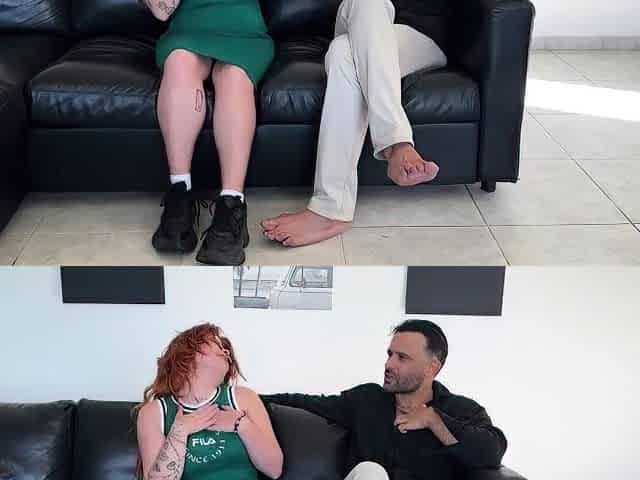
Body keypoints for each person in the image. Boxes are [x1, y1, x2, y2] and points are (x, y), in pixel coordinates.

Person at [261, 0, 448, 247]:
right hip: (359, 18)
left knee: (342, 54)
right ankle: (397, 143)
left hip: (418, 37)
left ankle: (330, 208)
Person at [262, 319, 507, 480]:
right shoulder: (367, 400)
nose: (389, 364)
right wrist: (247, 399)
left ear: (432, 366)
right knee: (371, 471)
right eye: (390, 354)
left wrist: (434, 421)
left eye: (402, 358)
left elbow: (491, 452)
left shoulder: (461, 410)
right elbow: (305, 403)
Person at [142, 0, 275, 265]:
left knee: (234, 75)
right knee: (179, 63)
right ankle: (180, 193)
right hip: (188, 27)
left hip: (244, 29)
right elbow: (160, 11)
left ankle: (232, 204)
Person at [135, 323, 283, 480]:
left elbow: (274, 470)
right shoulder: (154, 412)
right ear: (188, 354)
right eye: (217, 344)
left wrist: (241, 425)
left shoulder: (244, 398)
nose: (226, 351)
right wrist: (179, 431)